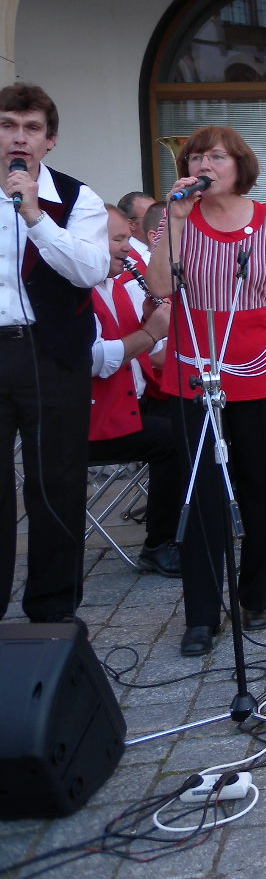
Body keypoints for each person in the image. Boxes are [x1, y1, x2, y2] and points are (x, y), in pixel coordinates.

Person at [147, 126, 266, 656]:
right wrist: (171, 219)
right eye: (196, 156)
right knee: (201, 496)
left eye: (216, 156)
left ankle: (255, 594)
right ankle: (200, 614)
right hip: (195, 367)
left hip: (261, 368)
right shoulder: (179, 222)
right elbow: (157, 288)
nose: (204, 164)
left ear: (240, 165)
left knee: (261, 489)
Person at [0, 83, 108, 624]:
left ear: (50, 140)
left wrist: (37, 217)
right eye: (8, 125)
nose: (18, 137)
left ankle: (52, 609)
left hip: (53, 353)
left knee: (57, 482)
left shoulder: (76, 198)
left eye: (31, 128)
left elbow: (91, 271)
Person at [87, 207, 182, 577]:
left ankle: (200, 522)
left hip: (131, 405)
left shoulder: (118, 285)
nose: (129, 249)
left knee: (202, 416)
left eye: (127, 238)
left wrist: (167, 330)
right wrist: (150, 332)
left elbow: (153, 358)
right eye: (118, 240)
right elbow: (95, 361)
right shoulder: (75, 293)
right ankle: (159, 544)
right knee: (174, 440)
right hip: (91, 422)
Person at [117, 191, 156, 265]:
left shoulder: (164, 249)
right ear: (131, 224)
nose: (160, 219)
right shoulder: (122, 259)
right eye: (152, 216)